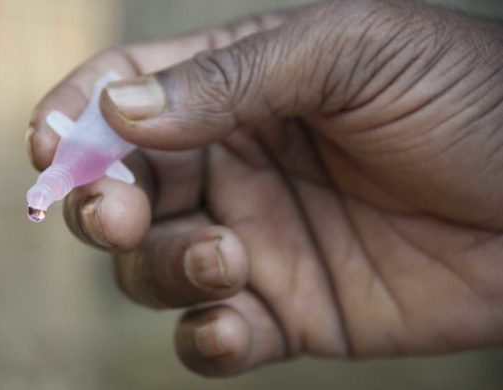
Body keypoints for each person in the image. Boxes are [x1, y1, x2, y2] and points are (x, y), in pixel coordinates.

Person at [25, 0, 503, 377]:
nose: (45, 194)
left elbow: (95, 150)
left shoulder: (97, 146)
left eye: (42, 195)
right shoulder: (92, 163)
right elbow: (102, 162)